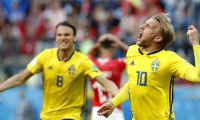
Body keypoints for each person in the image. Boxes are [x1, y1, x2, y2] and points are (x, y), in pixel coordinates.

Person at [0, 21, 119, 120]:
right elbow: (21, 77)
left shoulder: (83, 61)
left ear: (74, 37)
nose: (63, 38)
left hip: (71, 116)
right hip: (47, 116)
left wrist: (120, 97)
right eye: (59, 35)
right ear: (56, 37)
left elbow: (105, 82)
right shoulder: (45, 56)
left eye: (67, 35)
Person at [97, 13, 200, 120]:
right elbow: (133, 83)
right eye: (145, 24)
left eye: (148, 26)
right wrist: (113, 103)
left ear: (158, 38)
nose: (142, 26)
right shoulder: (132, 52)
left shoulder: (170, 59)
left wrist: (195, 44)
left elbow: (197, 76)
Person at [87, 33, 129, 120]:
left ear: (99, 48)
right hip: (115, 109)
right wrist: (118, 42)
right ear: (114, 48)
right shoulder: (118, 63)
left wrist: (96, 45)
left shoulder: (93, 63)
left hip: (97, 111)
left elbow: (84, 58)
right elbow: (135, 57)